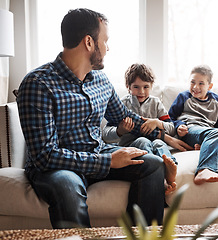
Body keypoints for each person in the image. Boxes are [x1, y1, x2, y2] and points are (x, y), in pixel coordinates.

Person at [16, 8, 186, 228]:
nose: (107, 47)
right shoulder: (37, 84)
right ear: (89, 42)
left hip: (96, 152)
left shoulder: (101, 81)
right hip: (58, 168)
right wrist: (107, 161)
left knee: (152, 164)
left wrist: (167, 133)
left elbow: (124, 117)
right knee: (67, 186)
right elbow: (44, 156)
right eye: (105, 41)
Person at [102, 63, 191, 194]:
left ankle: (170, 170)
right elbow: (105, 134)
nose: (141, 91)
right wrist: (120, 131)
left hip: (156, 141)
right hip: (131, 145)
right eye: (136, 87)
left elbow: (171, 128)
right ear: (128, 87)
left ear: (151, 86)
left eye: (146, 87)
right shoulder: (122, 104)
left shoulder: (156, 103)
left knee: (159, 143)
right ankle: (155, 176)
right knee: (143, 141)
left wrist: (157, 122)